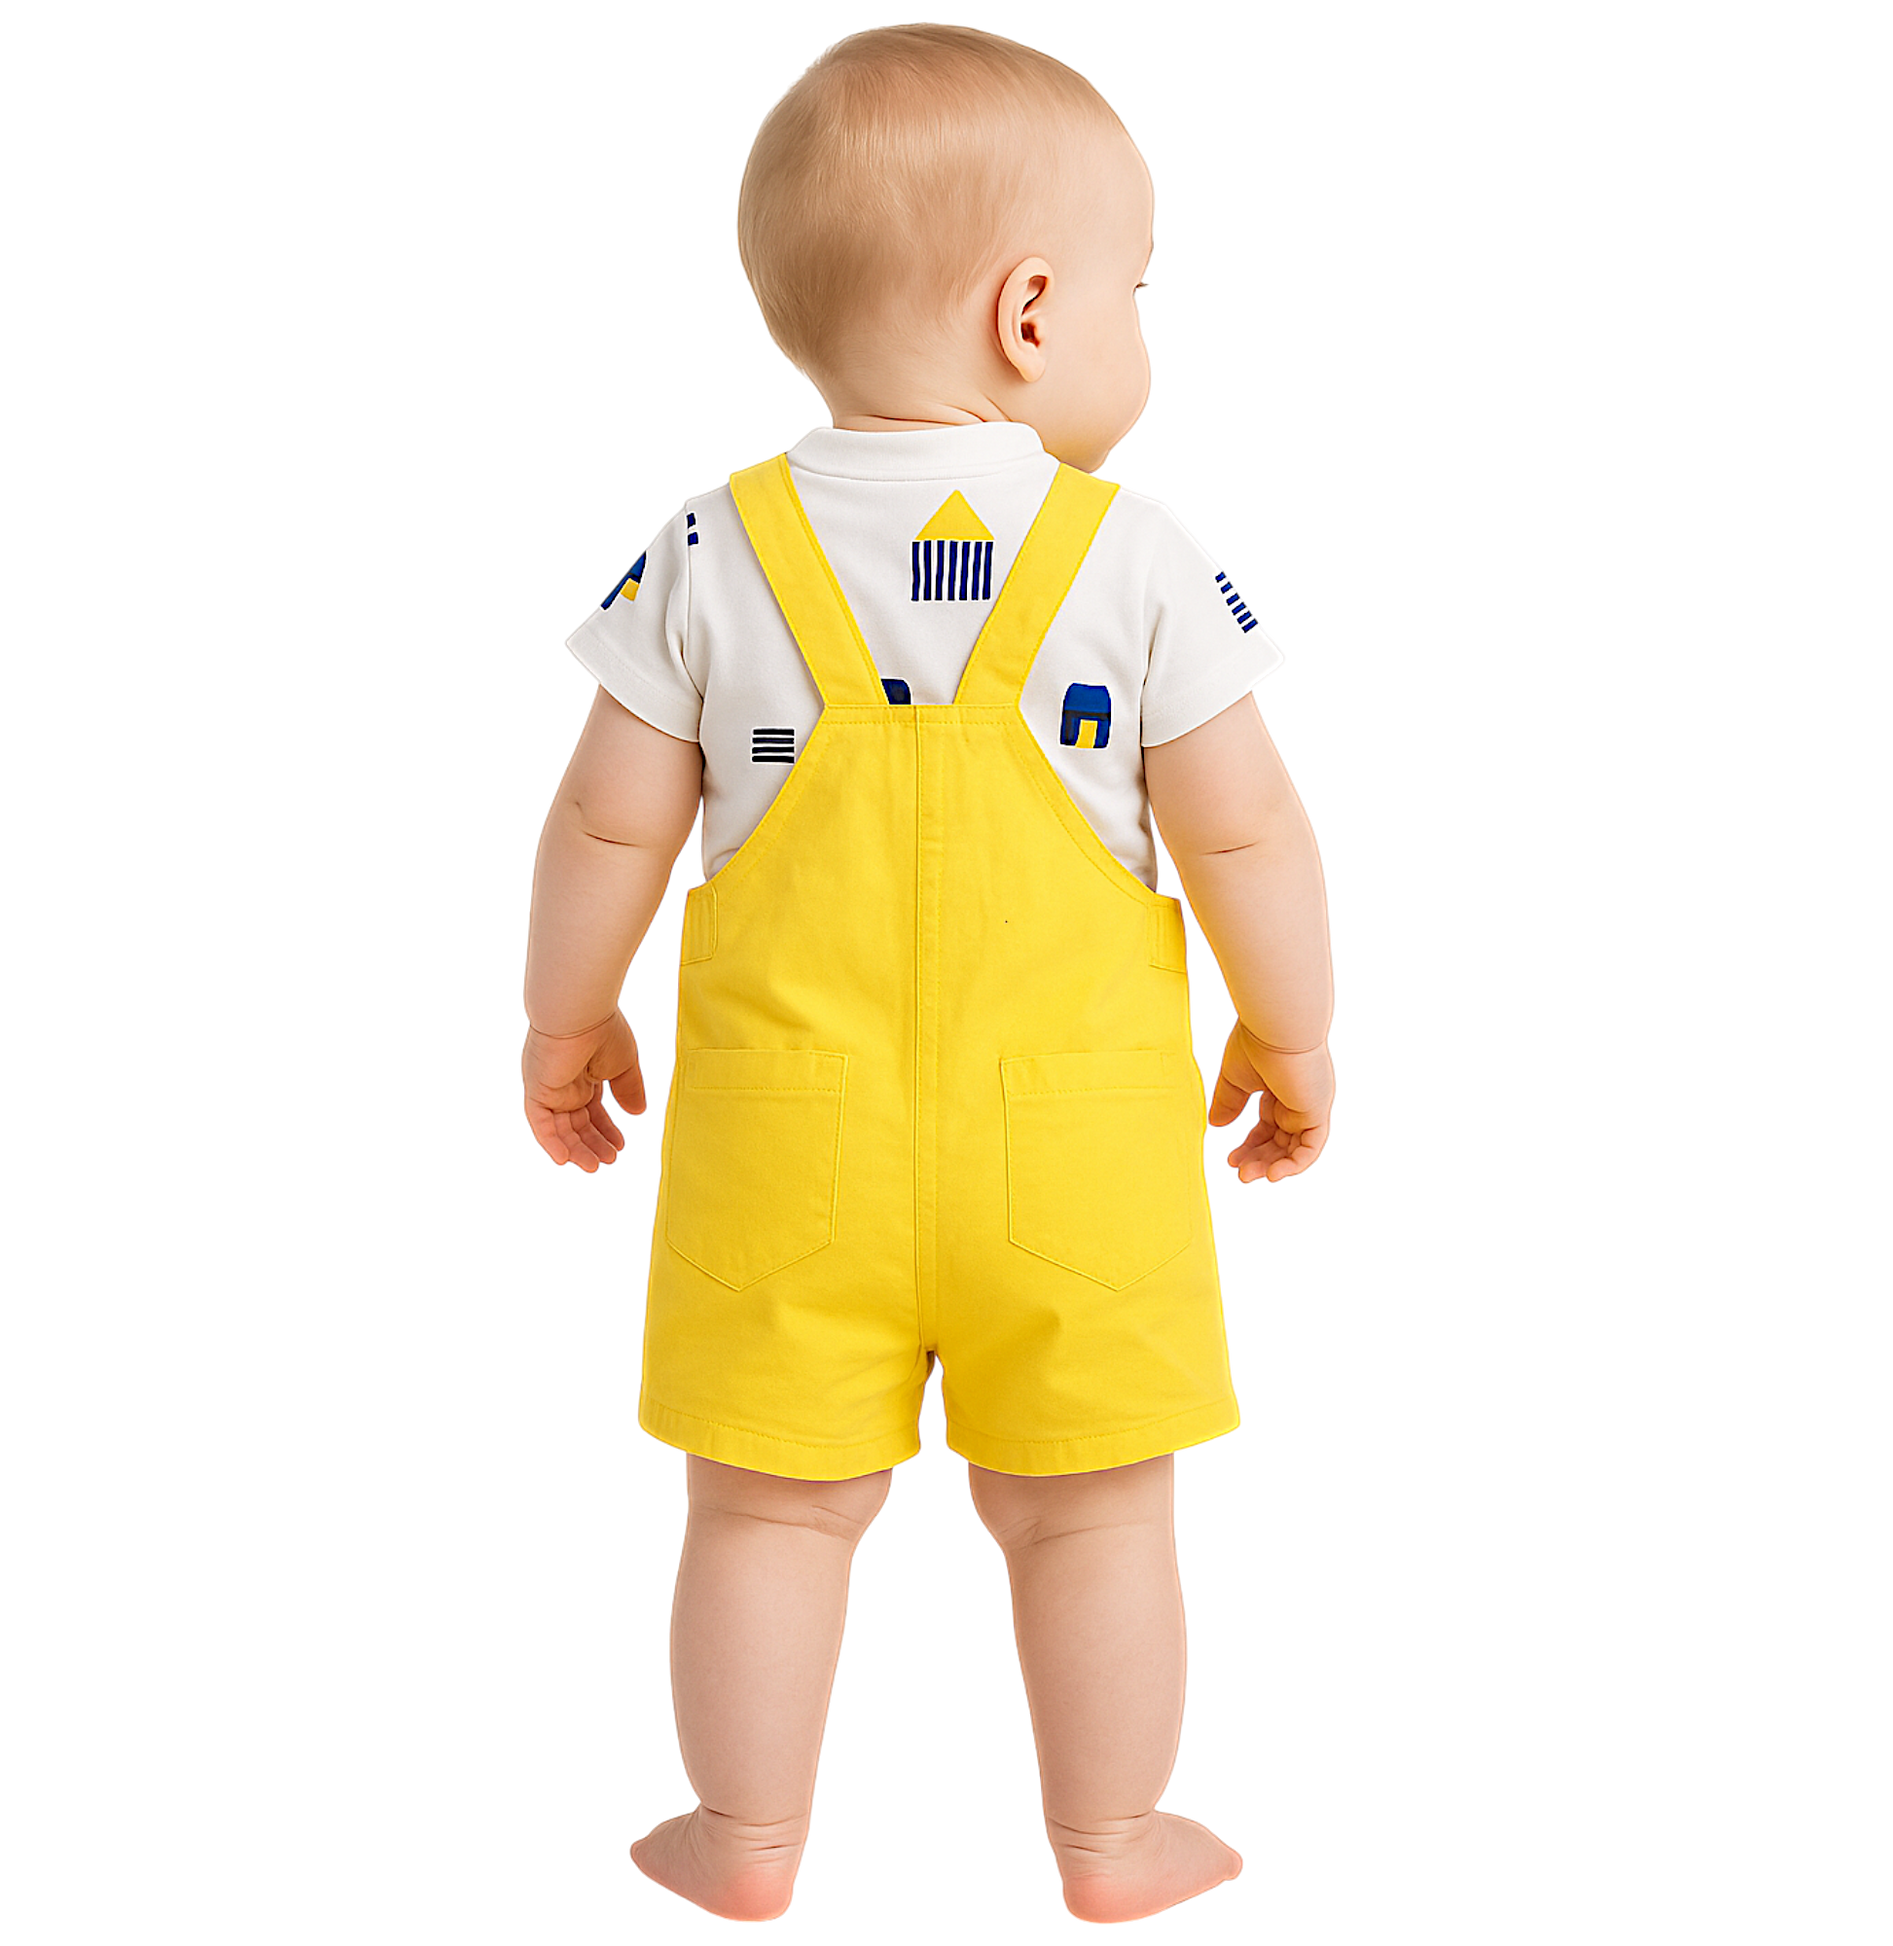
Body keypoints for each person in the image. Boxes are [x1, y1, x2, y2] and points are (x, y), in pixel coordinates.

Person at [519, 22, 1335, 1926]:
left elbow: (606, 826)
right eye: (1136, 289)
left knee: (761, 1507)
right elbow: (1246, 837)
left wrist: (567, 1018)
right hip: (1078, 1149)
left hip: (778, 1147)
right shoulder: (1137, 556)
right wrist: (1288, 1032)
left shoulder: (709, 544)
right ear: (1032, 312)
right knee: (1096, 1511)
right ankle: (1111, 1842)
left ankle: (743, 1836)